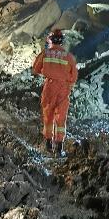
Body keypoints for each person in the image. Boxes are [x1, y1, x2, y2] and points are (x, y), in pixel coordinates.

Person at [32, 29, 78, 157]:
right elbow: (73, 77)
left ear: (51, 40)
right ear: (62, 41)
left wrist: (49, 72)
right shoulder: (68, 56)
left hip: (50, 86)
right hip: (63, 88)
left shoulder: (46, 53)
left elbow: (35, 69)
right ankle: (59, 148)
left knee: (48, 114)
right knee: (61, 117)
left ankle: (48, 144)